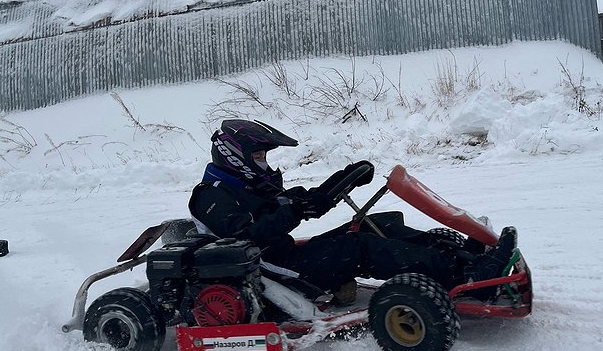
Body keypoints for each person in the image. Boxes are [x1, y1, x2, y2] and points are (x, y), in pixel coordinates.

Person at [188, 119, 516, 302]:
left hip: (284, 258)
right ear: (235, 156)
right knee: (359, 247)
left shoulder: (246, 187)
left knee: (375, 224)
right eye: (260, 157)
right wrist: (295, 209)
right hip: (271, 274)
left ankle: (460, 256)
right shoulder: (210, 196)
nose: (265, 164)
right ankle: (470, 279)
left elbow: (295, 204)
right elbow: (245, 235)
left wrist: (341, 180)